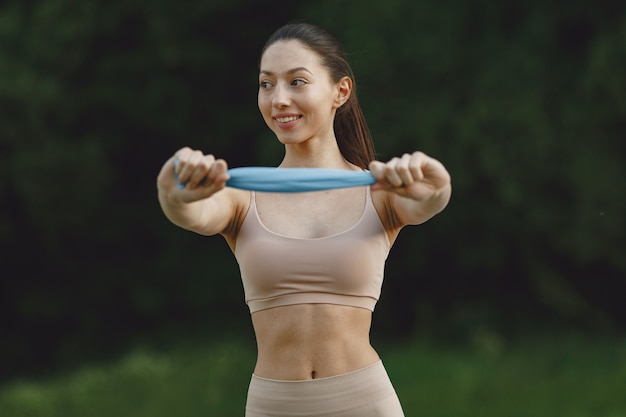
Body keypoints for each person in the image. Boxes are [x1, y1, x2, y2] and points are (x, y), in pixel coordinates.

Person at [157, 22, 451, 417]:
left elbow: (429, 201)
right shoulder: (242, 198)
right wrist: (173, 193)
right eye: (266, 84)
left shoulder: (380, 194)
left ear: (339, 92)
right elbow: (192, 212)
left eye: (297, 82)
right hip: (273, 406)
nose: (278, 99)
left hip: (364, 402)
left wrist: (435, 183)